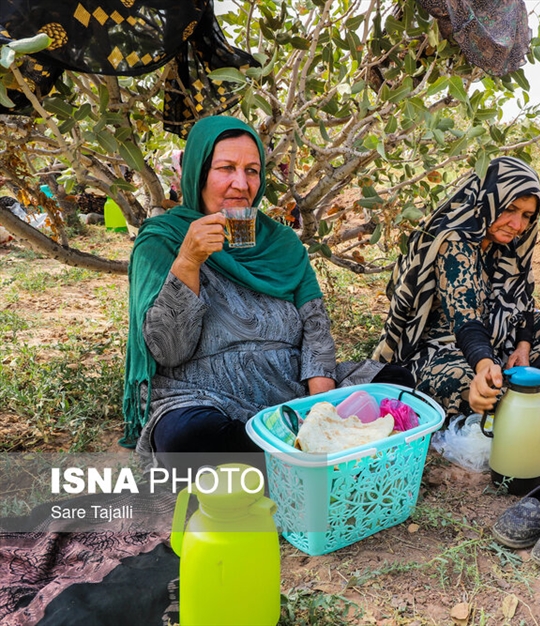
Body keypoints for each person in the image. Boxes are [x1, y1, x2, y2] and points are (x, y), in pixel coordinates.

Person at [123, 116, 411, 465]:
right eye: (226, 168)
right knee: (187, 439)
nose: (241, 184)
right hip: (204, 394)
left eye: (252, 170)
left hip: (289, 388)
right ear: (198, 173)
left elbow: (315, 326)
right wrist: (188, 261)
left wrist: (321, 412)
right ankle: (305, 458)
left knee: (398, 384)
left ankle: (292, 451)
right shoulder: (162, 239)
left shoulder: (282, 243)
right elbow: (167, 352)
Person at [373, 156, 540, 418]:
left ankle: (523, 396)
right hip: (445, 349)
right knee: (460, 381)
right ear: (489, 200)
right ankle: (505, 397)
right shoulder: (454, 243)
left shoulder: (510, 245)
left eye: (526, 215)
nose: (517, 225)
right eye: (509, 209)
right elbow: (466, 320)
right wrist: (484, 365)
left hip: (499, 343)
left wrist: (523, 346)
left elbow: (524, 301)